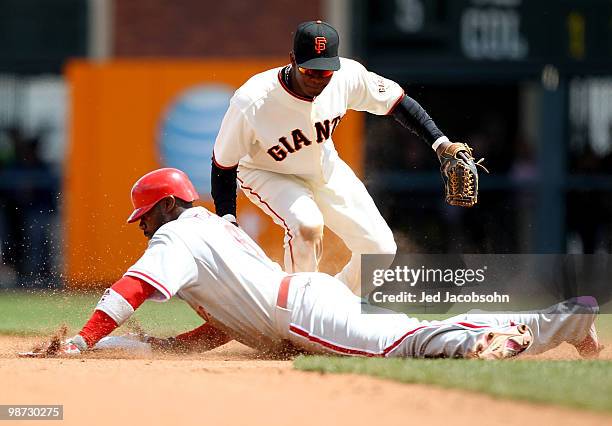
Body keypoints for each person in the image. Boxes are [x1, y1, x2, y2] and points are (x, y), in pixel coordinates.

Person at [23, 168, 601, 360]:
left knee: (408, 343)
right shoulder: (211, 230)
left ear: (168, 206)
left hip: (303, 314)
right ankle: (563, 321)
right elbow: (228, 320)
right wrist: (170, 348)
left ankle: (497, 339)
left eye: (145, 215)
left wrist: (83, 342)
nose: (144, 226)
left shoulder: (176, 236)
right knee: (406, 332)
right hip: (307, 298)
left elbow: (130, 289)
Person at [211, 20, 482, 295]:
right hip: (267, 171)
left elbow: (398, 102)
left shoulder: (346, 76)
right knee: (307, 225)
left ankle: (333, 310)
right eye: (309, 70)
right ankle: (296, 314)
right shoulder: (253, 101)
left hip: (322, 166)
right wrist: (228, 222)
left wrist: (440, 143)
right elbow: (223, 164)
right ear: (292, 60)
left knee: (379, 249)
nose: (317, 78)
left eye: (325, 71)